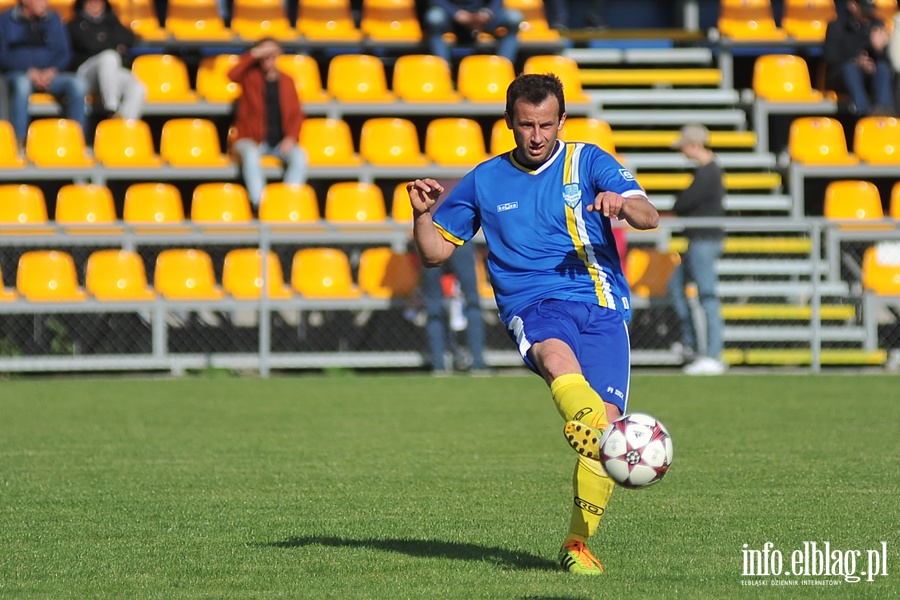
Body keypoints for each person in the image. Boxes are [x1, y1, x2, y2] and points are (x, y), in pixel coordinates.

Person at [407, 73, 659, 575]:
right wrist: (421, 216)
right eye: (526, 125)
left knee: (604, 430)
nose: (537, 135)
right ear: (510, 123)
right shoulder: (485, 179)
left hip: (603, 304)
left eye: (546, 124)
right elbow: (435, 252)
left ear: (562, 120)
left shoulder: (587, 160)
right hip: (534, 302)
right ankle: (588, 423)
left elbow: (649, 215)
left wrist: (622, 205)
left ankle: (576, 545)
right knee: (552, 354)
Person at [667, 124, 727, 376]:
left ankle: (713, 355)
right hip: (698, 241)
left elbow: (683, 202)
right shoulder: (706, 172)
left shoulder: (709, 173)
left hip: (704, 241)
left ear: (693, 145)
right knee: (676, 288)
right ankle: (692, 346)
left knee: (707, 296)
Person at [228, 38, 308, 209]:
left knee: (300, 157)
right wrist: (255, 53)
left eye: (271, 54)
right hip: (251, 139)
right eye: (264, 55)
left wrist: (291, 138)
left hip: (280, 141)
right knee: (250, 155)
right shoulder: (250, 77)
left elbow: (296, 114)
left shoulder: (287, 80)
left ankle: (287, 203)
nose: (267, 59)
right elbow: (232, 74)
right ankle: (261, 204)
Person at [0, 0, 88, 145]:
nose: (46, 3)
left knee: (77, 84)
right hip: (18, 74)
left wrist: (52, 71)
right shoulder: (5, 20)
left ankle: (76, 139)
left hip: (50, 75)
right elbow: (3, 55)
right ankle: (19, 140)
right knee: (22, 84)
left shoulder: (54, 19)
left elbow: (64, 53)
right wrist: (28, 70)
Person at [421, 232, 488, 376]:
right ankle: (477, 363)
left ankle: (439, 364)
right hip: (458, 237)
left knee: (435, 304)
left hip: (436, 238)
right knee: (471, 303)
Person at [67, 0, 145, 122]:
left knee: (137, 87)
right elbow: (89, 45)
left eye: (99, 1)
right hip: (86, 75)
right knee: (109, 57)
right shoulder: (74, 24)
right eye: (90, 2)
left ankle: (121, 126)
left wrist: (101, 41)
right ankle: (111, 107)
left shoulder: (111, 21)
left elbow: (130, 38)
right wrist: (113, 44)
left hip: (109, 75)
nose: (94, 4)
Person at [823, 0, 895, 116]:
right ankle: (864, 112)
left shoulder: (878, 25)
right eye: (864, 10)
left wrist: (878, 50)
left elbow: (888, 63)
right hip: (843, 76)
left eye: (870, 10)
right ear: (852, 6)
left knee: (882, 68)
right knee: (849, 68)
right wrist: (857, 60)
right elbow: (831, 58)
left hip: (870, 74)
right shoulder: (836, 26)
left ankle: (884, 111)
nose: (868, 14)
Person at [423, 0, 523, 67]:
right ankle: (443, 70)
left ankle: (503, 68)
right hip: (452, 18)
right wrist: (456, 13)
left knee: (514, 17)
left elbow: (497, 1)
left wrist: (487, 13)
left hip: (484, 18)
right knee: (434, 18)